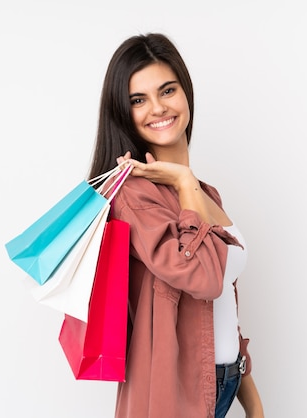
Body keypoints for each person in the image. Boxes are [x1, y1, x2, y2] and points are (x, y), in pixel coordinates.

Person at [88, 33, 265, 418]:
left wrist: (252, 401)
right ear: (123, 112)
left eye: (167, 90)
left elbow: (221, 300)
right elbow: (201, 278)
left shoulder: (206, 194)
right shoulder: (133, 196)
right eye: (138, 100)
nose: (157, 107)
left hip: (225, 383)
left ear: (186, 93)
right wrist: (184, 182)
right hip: (176, 398)